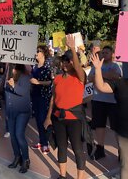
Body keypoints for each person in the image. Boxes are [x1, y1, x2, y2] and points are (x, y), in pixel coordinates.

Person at [43, 34, 87, 179]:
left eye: (68, 62)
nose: (65, 64)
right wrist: (48, 117)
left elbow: (78, 66)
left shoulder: (80, 77)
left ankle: (80, 177)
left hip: (74, 119)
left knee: (77, 149)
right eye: (63, 62)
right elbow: (53, 99)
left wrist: (72, 49)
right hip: (58, 118)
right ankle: (62, 175)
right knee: (61, 148)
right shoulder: (57, 79)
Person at [87, 45, 122, 159]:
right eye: (103, 52)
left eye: (107, 52)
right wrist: (106, 76)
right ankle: (100, 148)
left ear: (112, 54)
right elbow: (90, 78)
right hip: (98, 100)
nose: (105, 54)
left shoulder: (115, 66)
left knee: (116, 127)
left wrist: (99, 75)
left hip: (113, 101)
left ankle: (121, 151)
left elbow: (116, 76)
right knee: (99, 125)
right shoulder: (96, 65)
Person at [5, 64, 32, 173]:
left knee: (19, 135)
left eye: (15, 68)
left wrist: (14, 85)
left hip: (22, 111)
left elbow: (23, 92)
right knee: (12, 136)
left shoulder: (25, 78)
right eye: (12, 68)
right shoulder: (9, 78)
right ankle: (17, 157)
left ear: (19, 69)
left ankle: (26, 159)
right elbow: (7, 95)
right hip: (11, 111)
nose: (13, 70)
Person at [29, 45, 53, 154]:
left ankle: (45, 143)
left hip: (44, 97)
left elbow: (50, 82)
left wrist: (38, 82)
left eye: (38, 51)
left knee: (43, 120)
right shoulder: (34, 66)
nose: (36, 53)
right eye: (36, 51)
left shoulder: (48, 66)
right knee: (38, 120)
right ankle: (41, 141)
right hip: (35, 96)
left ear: (43, 53)